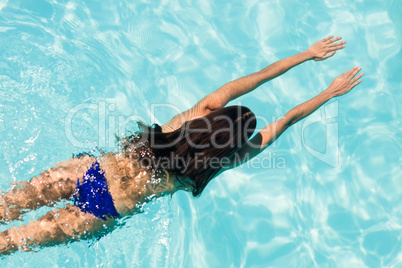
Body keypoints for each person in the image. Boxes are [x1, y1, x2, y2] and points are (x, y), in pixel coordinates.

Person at [0, 36, 363, 254]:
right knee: (11, 241)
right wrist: (330, 92)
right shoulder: (216, 165)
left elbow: (257, 78)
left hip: (90, 170)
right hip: (103, 210)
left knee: (7, 205)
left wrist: (306, 54)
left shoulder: (192, 117)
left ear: (214, 118)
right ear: (233, 148)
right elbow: (286, 121)